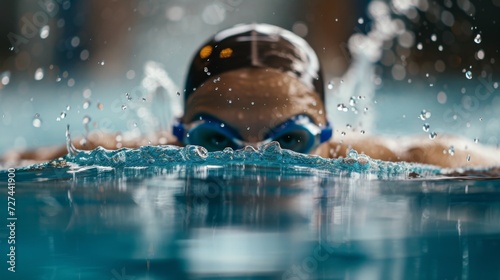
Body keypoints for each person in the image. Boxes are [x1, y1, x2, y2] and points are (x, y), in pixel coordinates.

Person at [3, 23, 500, 168]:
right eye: (216, 140)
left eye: (289, 141)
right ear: (179, 135)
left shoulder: (396, 157)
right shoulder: (119, 155)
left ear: (327, 135)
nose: (255, 165)